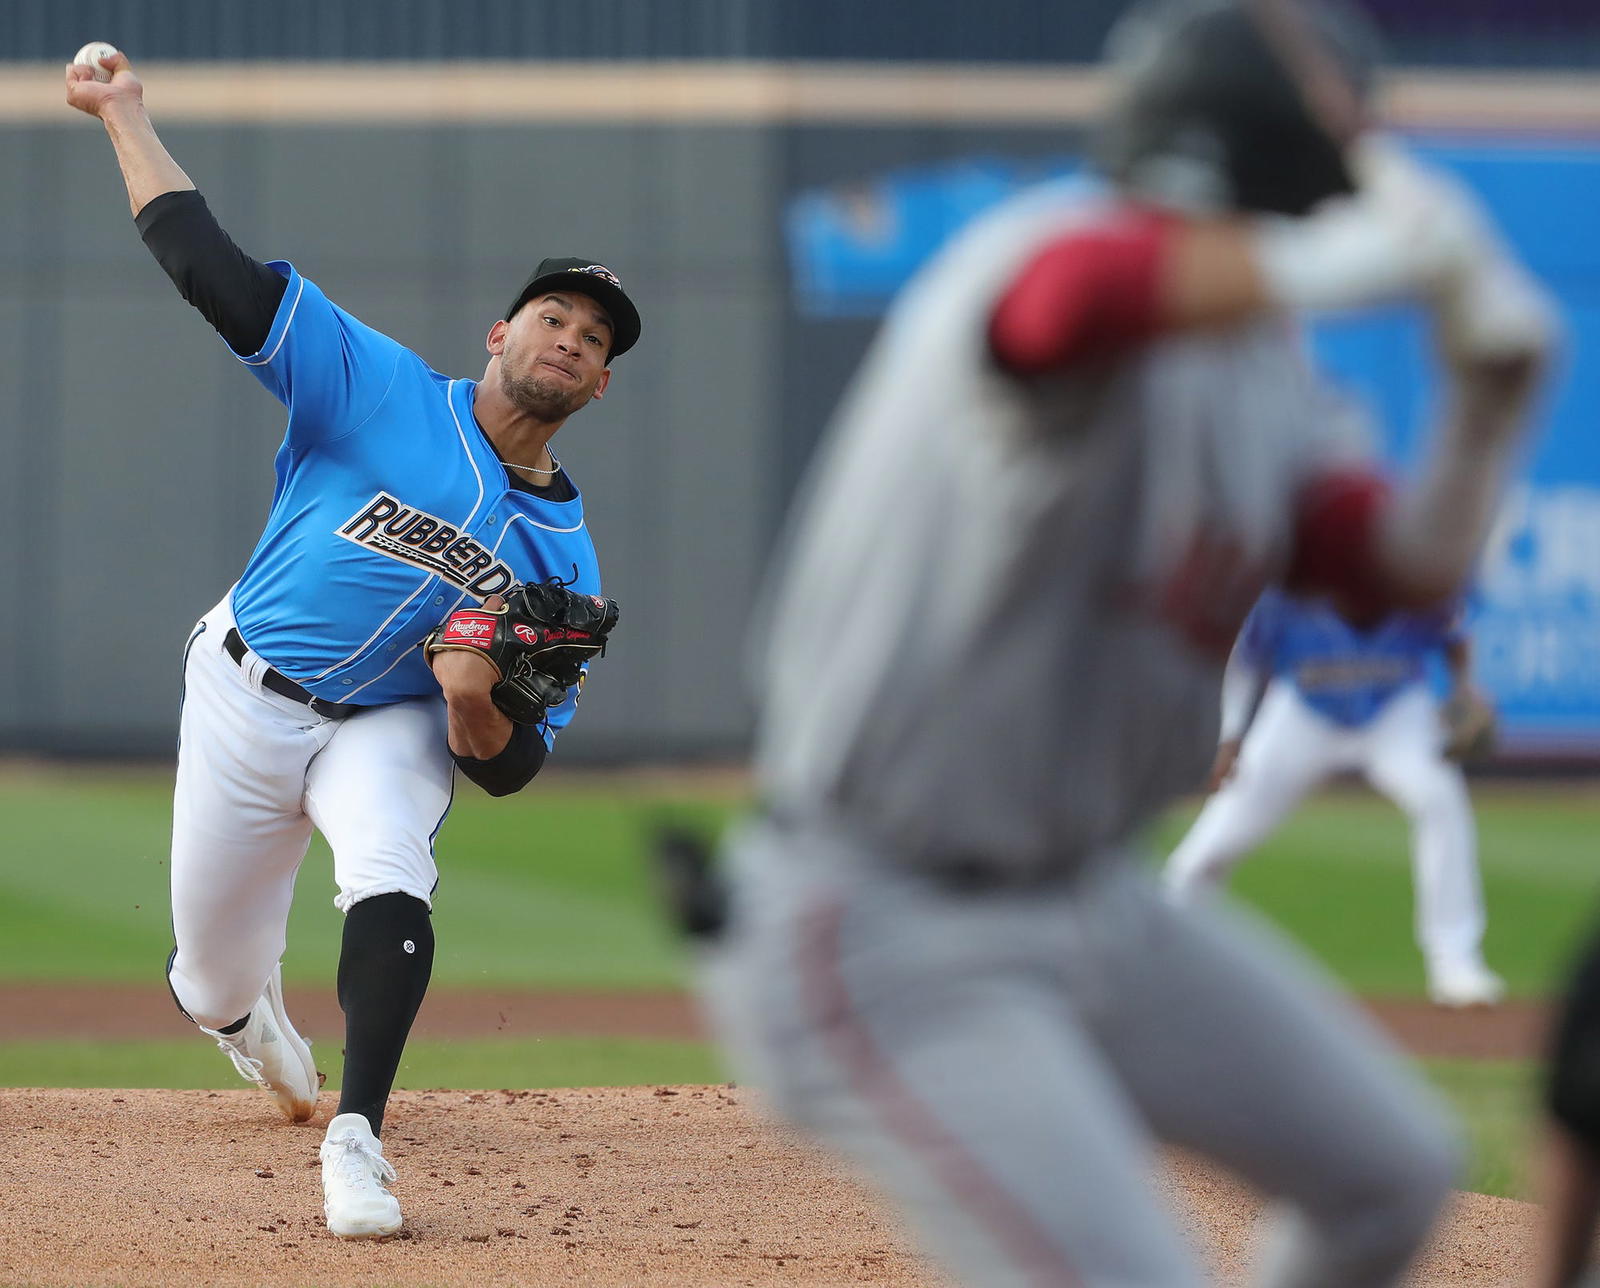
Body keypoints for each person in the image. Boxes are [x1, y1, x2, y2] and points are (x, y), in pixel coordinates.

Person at [695, 1, 1555, 1283]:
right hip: (884, 914)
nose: (1359, 143)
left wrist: (1484, 418)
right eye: (1332, 116)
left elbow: (1394, 572)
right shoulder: (1041, 251)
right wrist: (1353, 262)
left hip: (1092, 900)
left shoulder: (1260, 360)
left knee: (1390, 1176)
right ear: (1247, 132)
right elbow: (1066, 313)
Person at [65, 49, 639, 1239]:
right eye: (555, 315)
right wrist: (124, 114)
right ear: (501, 329)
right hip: (242, 691)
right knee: (211, 978)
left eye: (596, 339)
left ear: (599, 390)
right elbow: (203, 264)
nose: (573, 340)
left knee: (391, 855)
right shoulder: (375, 387)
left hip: (385, 721)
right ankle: (242, 1017)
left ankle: (359, 1135)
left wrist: (476, 704)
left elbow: (513, 760)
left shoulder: (564, 563)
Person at [1164, 588, 1504, 1007]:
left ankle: (1456, 962)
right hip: (1302, 715)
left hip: (1395, 712)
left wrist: (1464, 689)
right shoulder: (1292, 589)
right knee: (1218, 836)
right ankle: (1152, 944)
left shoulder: (1414, 578)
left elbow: (1455, 637)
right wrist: (1232, 735)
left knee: (1439, 800)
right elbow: (1247, 663)